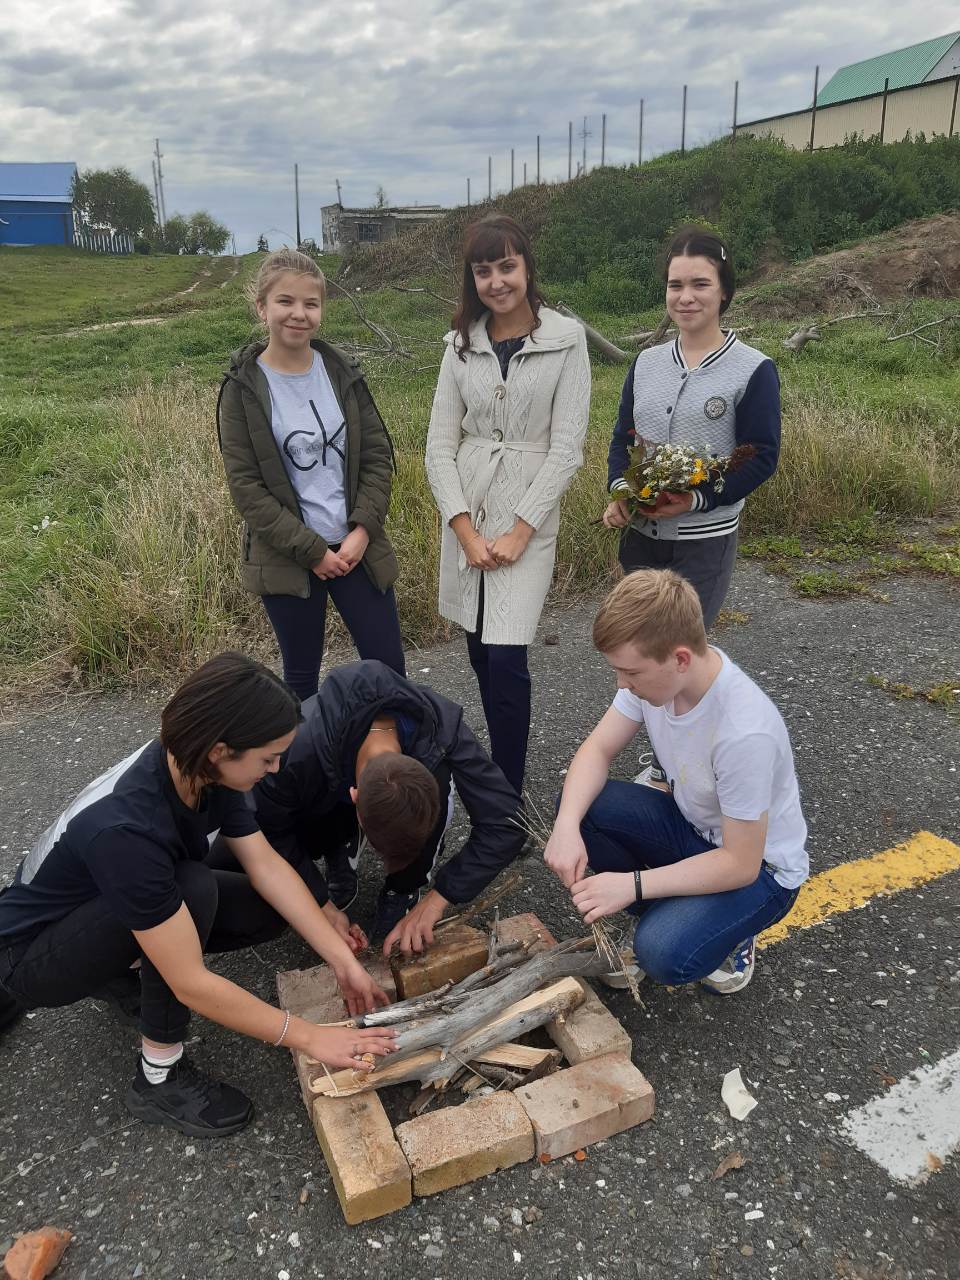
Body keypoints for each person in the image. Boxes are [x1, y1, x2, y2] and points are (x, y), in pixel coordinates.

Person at [0, 654, 396, 1138]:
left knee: (262, 909)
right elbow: (189, 982)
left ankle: (120, 971)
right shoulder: (126, 829)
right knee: (190, 890)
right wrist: (310, 1037)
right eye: (267, 759)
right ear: (220, 751)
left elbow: (266, 865)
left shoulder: (197, 764)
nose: (275, 769)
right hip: (29, 956)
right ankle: (158, 1077)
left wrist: (341, 960)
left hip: (98, 907)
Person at [544, 570, 808, 995]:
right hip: (695, 828)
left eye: (630, 672)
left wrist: (630, 885)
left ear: (680, 659)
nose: (622, 684)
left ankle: (730, 932)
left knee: (661, 952)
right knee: (579, 806)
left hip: (760, 870)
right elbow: (597, 751)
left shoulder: (743, 732)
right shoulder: (659, 678)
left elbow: (740, 863)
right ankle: (682, 912)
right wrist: (565, 828)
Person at [425, 214, 591, 797]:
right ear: (471, 279)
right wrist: (465, 532)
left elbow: (567, 449)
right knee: (477, 646)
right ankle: (499, 768)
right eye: (483, 270)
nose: (496, 281)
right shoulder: (460, 345)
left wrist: (522, 530)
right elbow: (438, 447)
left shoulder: (565, 339)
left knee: (506, 655)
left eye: (506, 266)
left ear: (526, 268)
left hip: (528, 515)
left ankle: (508, 796)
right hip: (469, 510)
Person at [218, 247, 405, 702]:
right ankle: (308, 751)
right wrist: (314, 550)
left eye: (311, 303)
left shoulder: (342, 372)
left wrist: (362, 530)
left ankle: (388, 749)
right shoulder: (241, 390)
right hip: (289, 555)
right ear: (261, 308)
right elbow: (247, 490)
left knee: (389, 672)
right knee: (300, 681)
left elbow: (378, 457)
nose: (299, 314)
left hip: (357, 548)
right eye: (285, 301)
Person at [252, 659, 527, 952]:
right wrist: (319, 903)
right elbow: (268, 830)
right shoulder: (296, 748)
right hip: (322, 794)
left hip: (368, 783)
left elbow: (507, 822)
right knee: (262, 853)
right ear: (354, 796)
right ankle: (339, 846)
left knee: (438, 777)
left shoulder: (440, 727)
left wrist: (436, 901)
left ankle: (403, 889)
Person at [602, 225, 781, 629]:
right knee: (640, 643)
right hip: (640, 537)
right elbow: (623, 439)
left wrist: (696, 499)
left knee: (681, 645)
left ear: (724, 291)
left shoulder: (753, 369)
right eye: (675, 285)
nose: (685, 297)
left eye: (700, 284)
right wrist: (621, 492)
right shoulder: (646, 363)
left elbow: (761, 456)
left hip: (705, 541)